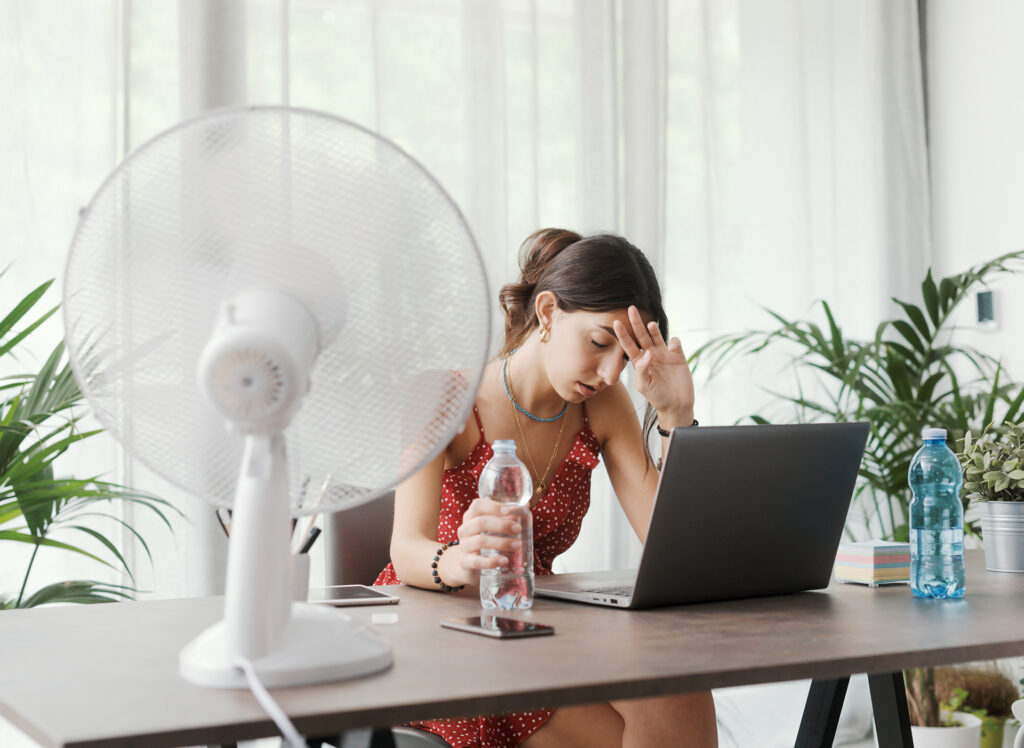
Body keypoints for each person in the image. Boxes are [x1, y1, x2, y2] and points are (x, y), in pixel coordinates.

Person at [374, 228, 718, 747]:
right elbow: (406, 550)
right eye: (600, 343)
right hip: (440, 626)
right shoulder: (444, 395)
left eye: (624, 358)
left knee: (677, 686)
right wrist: (463, 561)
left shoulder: (602, 405)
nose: (608, 373)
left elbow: (672, 545)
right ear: (549, 312)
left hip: (530, 623)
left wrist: (675, 413)